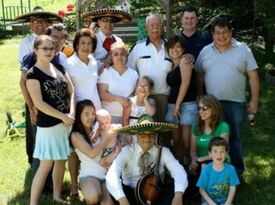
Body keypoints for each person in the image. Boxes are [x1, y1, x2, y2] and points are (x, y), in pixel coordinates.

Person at [195, 17, 259, 175]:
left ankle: (236, 170)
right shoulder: (206, 51)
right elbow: (200, 76)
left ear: (231, 32)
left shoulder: (243, 49)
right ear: (213, 34)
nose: (221, 36)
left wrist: (254, 100)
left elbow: (253, 76)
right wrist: (199, 96)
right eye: (218, 33)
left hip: (236, 103)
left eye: (224, 32)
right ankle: (215, 171)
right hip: (212, 104)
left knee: (235, 137)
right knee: (214, 139)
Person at [26, 35, 75, 204]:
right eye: (44, 48)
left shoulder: (58, 68)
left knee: (61, 159)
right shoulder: (32, 74)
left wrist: (72, 113)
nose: (48, 52)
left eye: (51, 48)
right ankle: (33, 202)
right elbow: (38, 103)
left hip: (66, 122)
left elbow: (71, 90)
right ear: (36, 50)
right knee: (46, 165)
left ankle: (56, 195)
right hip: (49, 125)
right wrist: (62, 116)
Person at [17, 6, 63, 167]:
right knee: (35, 133)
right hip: (34, 93)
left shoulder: (51, 42)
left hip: (51, 94)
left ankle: (48, 168)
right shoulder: (27, 44)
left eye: (44, 21)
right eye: (36, 21)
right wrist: (30, 106)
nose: (41, 24)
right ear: (31, 23)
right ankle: (36, 166)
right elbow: (24, 78)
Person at [106, 114, 188, 205]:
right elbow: (112, 174)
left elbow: (178, 171)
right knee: (116, 188)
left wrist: (178, 195)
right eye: (143, 134)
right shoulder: (127, 151)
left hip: (156, 197)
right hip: (131, 198)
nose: (147, 138)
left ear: (155, 134)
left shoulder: (163, 151)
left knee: (175, 187)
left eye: (151, 134)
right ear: (136, 135)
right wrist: (122, 200)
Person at [70, 99, 119, 205]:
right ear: (79, 115)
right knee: (94, 196)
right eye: (86, 114)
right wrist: (107, 139)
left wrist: (113, 154)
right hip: (89, 175)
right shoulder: (76, 135)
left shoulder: (99, 128)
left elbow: (118, 143)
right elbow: (92, 153)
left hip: (106, 176)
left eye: (93, 114)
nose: (91, 117)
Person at [127, 14, 173, 122]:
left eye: (158, 25)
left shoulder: (170, 47)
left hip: (164, 97)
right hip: (143, 98)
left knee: (164, 131)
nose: (155, 28)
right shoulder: (138, 47)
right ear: (146, 27)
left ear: (162, 26)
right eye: (151, 25)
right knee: (145, 132)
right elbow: (130, 71)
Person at [165, 35, 197, 164]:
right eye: (172, 47)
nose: (175, 50)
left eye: (178, 47)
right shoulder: (172, 64)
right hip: (173, 106)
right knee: (176, 141)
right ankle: (180, 167)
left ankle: (192, 167)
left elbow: (185, 83)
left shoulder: (185, 61)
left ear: (183, 49)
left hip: (186, 105)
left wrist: (178, 105)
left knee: (187, 142)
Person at [98, 41, 138, 125]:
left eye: (122, 54)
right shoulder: (106, 72)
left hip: (129, 117)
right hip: (109, 117)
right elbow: (102, 94)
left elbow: (136, 95)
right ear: (111, 57)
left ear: (127, 56)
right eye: (115, 54)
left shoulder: (134, 74)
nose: (119, 57)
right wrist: (120, 99)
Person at [190, 94, 230, 173]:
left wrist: (200, 159)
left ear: (214, 109)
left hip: (219, 162)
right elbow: (193, 150)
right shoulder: (196, 126)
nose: (201, 111)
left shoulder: (223, 127)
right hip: (201, 164)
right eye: (199, 108)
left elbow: (221, 152)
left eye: (204, 108)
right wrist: (194, 160)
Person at [197, 137, 240, 205]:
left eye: (222, 151)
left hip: (225, 201)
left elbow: (232, 188)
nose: (219, 155)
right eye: (215, 151)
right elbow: (201, 190)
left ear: (226, 153)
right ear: (210, 154)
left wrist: (227, 203)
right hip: (208, 201)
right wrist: (212, 203)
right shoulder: (206, 169)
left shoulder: (231, 169)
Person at [122, 75, 155, 143]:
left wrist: (145, 99)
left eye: (145, 86)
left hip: (145, 133)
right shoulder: (131, 101)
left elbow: (151, 113)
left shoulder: (151, 102)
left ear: (150, 89)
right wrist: (127, 134)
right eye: (140, 85)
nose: (142, 88)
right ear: (136, 88)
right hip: (132, 133)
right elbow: (125, 119)